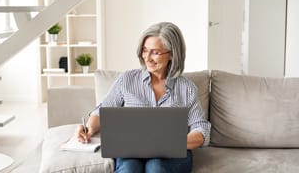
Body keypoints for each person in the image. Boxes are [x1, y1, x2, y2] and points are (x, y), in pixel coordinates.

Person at [75, 22, 211, 173]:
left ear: (172, 54)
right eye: (145, 51)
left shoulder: (186, 88)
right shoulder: (127, 79)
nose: (147, 58)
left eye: (155, 52)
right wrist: (88, 129)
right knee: (129, 169)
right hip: (131, 150)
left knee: (155, 167)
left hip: (172, 155)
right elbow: (102, 110)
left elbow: (200, 128)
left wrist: (173, 143)